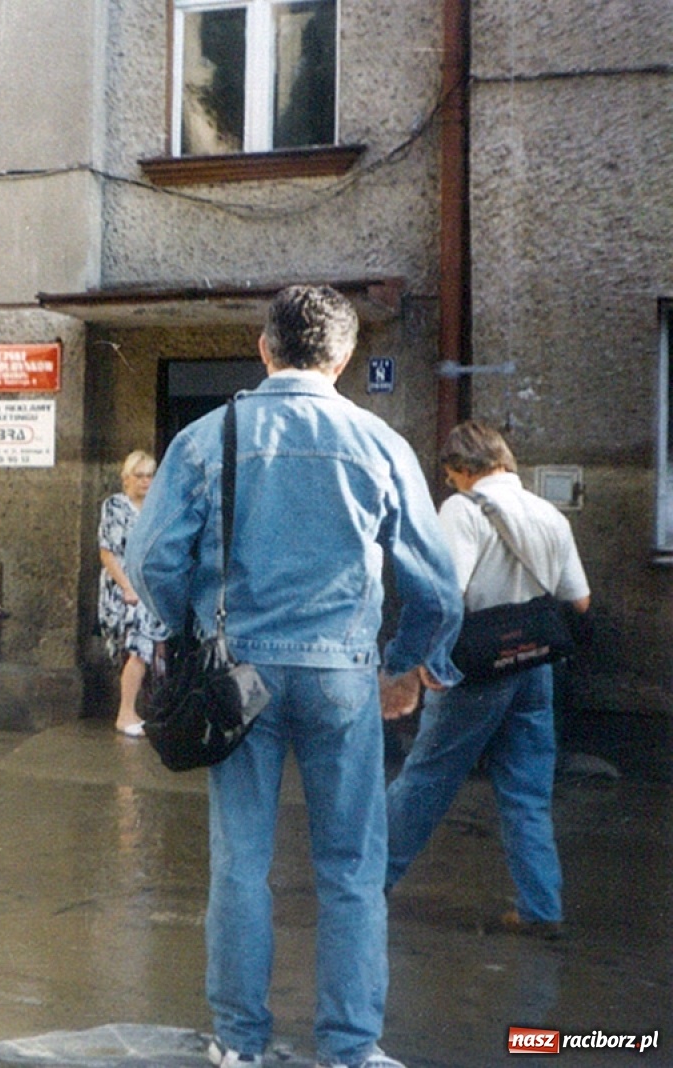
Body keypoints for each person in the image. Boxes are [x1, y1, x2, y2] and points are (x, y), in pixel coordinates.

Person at [124, 285, 463, 1068]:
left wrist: (185, 629)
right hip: (344, 675)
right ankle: (350, 1049)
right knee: (351, 868)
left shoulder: (210, 438)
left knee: (240, 863)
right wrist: (411, 665)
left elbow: (151, 559)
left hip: (238, 678)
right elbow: (437, 586)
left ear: (263, 348)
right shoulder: (378, 442)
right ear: (342, 359)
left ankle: (239, 1044)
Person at [385, 421, 590, 938]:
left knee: (426, 779)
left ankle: (365, 882)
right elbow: (579, 601)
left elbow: (443, 594)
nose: (452, 484)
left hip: (475, 669)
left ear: (460, 469)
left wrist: (420, 663)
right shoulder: (548, 513)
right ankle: (540, 907)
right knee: (527, 794)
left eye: (451, 476)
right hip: (535, 668)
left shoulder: (462, 508)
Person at [97, 449, 167, 737]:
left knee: (152, 648)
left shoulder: (156, 508)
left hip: (150, 587)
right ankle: (125, 713)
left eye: (150, 475)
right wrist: (127, 587)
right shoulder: (115, 506)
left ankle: (139, 709)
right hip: (124, 588)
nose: (146, 482)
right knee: (138, 648)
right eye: (140, 476)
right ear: (127, 477)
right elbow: (107, 552)